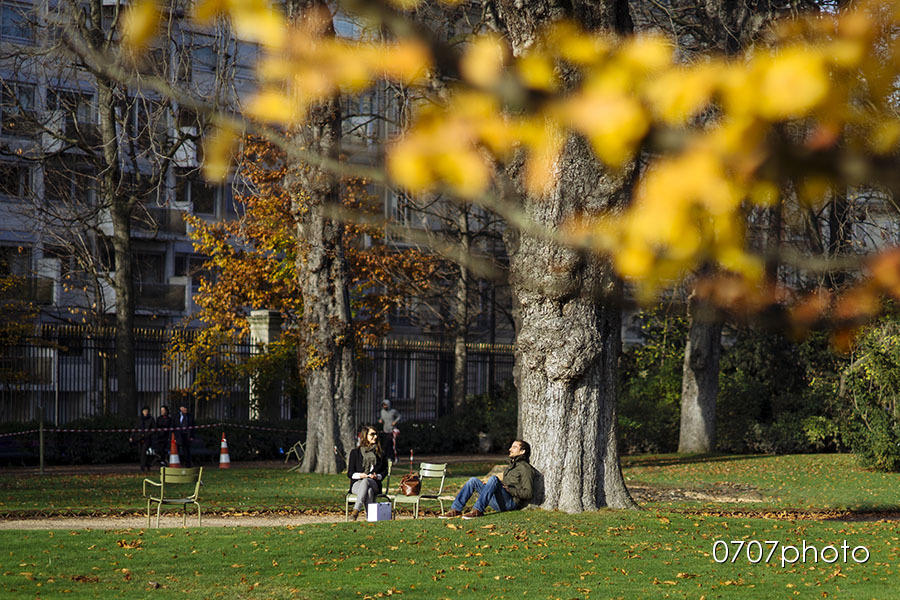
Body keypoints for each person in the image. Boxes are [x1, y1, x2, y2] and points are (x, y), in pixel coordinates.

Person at [440, 439, 533, 519]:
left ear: (522, 451)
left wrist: (510, 490)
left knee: (493, 479)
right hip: (501, 501)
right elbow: (506, 484)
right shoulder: (511, 466)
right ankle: (456, 509)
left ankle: (478, 510)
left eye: (514, 447)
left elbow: (528, 493)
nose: (510, 449)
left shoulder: (525, 468)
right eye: (511, 447)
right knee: (473, 481)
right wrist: (490, 486)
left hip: (511, 503)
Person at [346, 425, 389, 521]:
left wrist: (377, 476)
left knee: (366, 482)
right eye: (372, 434)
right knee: (368, 491)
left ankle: (355, 511)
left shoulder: (380, 453)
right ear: (365, 436)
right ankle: (370, 517)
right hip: (357, 483)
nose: (375, 436)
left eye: (376, 434)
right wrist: (360, 475)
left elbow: (385, 470)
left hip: (374, 483)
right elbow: (350, 473)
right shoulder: (355, 452)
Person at [129, 406, 156, 472]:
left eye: (146, 411)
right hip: (139, 438)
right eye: (144, 411)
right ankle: (147, 465)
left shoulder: (151, 419)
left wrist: (147, 434)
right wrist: (132, 436)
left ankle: (143, 467)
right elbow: (135, 428)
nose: (145, 412)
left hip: (147, 438)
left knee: (144, 452)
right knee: (140, 452)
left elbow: (153, 429)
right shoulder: (139, 419)